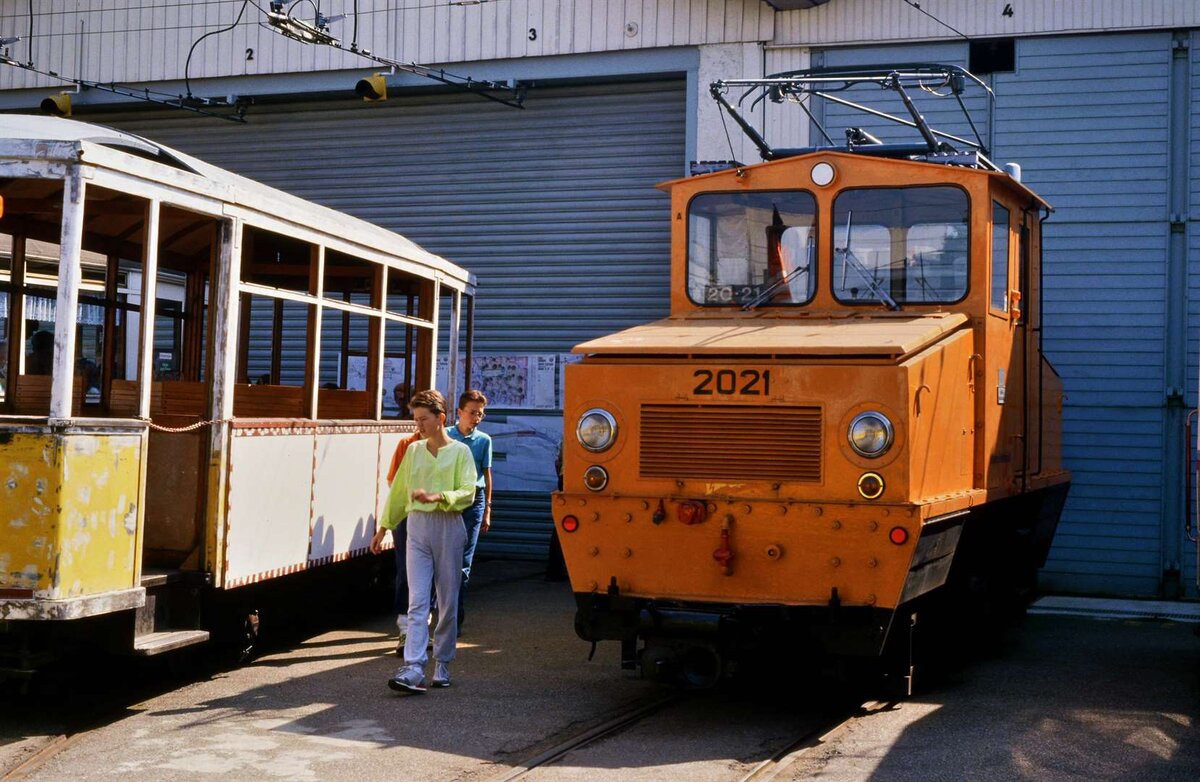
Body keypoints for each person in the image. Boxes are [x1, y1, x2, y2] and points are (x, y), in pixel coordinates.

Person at [371, 389, 476, 694]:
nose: (418, 425)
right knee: (417, 600)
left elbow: (467, 492)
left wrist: (438, 497)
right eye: (415, 419)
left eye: (423, 419)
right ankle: (413, 666)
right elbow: (400, 490)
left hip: (448, 526)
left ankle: (442, 662)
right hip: (416, 525)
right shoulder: (414, 450)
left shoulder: (461, 452)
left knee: (447, 600)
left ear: (441, 419)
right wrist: (384, 526)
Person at [447, 389, 493, 633]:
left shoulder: (484, 440)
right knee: (445, 560)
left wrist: (487, 509)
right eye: (473, 413)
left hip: (474, 500)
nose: (476, 418)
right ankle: (441, 616)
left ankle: (455, 617)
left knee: (463, 561)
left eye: (481, 414)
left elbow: (487, 474)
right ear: (460, 412)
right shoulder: (446, 436)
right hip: (449, 500)